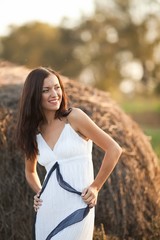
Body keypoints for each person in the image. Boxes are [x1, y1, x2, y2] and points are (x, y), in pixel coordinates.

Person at [16, 67, 122, 240]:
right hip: (48, 210)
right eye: (46, 90)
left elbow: (114, 149)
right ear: (34, 95)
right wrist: (40, 192)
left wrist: (96, 186)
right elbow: (30, 171)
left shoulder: (74, 117)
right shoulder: (34, 132)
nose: (54, 94)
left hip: (79, 205)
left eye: (57, 87)